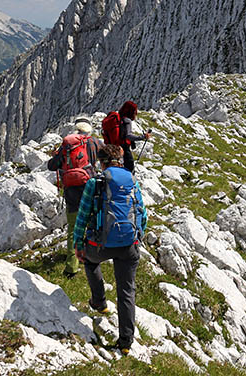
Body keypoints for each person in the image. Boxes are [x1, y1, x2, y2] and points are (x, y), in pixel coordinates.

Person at [74, 144, 147, 354]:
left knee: (90, 261)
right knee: (127, 291)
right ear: (120, 160)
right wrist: (138, 236)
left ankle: (99, 302)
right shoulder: (132, 180)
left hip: (101, 245)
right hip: (129, 246)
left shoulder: (95, 181)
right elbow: (142, 211)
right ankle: (125, 343)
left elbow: (83, 216)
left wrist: (79, 245)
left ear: (101, 162)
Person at [47, 117, 102, 276]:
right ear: (89, 131)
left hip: (71, 191)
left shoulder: (67, 146)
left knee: (73, 229)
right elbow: (111, 153)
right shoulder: (94, 142)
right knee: (92, 223)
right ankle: (93, 257)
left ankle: (72, 267)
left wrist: (58, 156)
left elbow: (51, 166)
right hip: (89, 188)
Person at [117, 100, 150, 172]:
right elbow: (128, 135)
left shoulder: (119, 118)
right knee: (130, 167)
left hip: (116, 146)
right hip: (124, 148)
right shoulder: (127, 120)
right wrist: (143, 137)